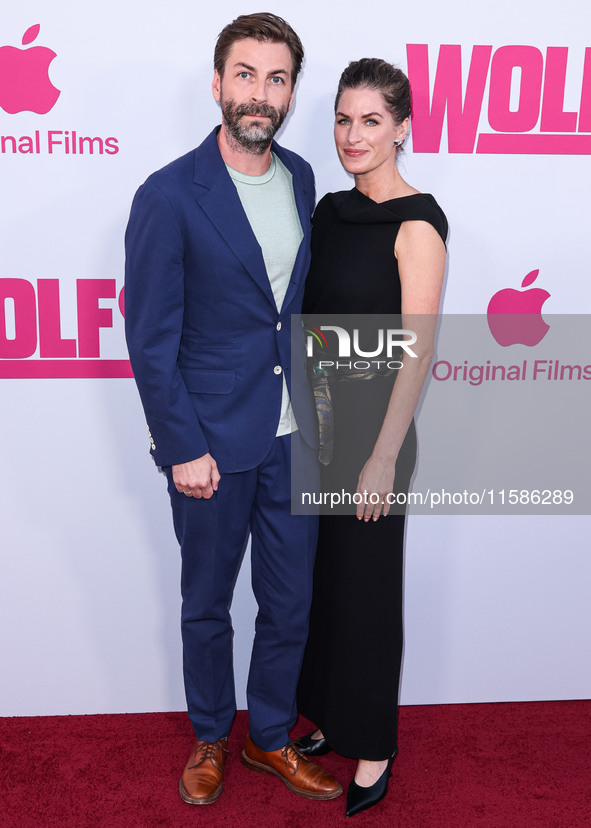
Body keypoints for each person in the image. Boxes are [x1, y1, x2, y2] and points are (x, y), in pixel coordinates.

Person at [124, 13, 341, 806]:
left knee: (289, 602)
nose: (260, 92)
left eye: (276, 78)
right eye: (245, 74)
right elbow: (150, 338)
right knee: (207, 602)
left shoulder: (303, 178)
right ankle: (212, 734)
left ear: (290, 93)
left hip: (295, 436)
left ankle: (270, 737)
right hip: (211, 439)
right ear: (218, 85)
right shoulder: (169, 194)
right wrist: (181, 444)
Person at [296, 58, 448, 817]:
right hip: (314, 427)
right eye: (343, 119)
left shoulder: (416, 223)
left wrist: (382, 456)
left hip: (373, 440)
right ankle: (326, 714)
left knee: (365, 594)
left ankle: (375, 746)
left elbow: (415, 352)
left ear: (401, 128)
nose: (353, 136)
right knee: (319, 586)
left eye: (371, 121)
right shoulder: (327, 210)